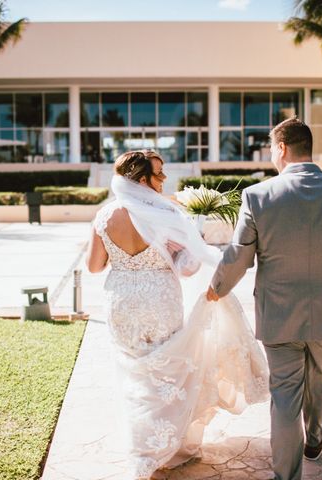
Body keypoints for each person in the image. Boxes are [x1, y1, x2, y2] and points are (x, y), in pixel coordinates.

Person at [207, 117, 322, 480]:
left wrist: (217, 288)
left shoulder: (258, 196)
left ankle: (287, 475)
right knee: (319, 376)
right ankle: (315, 439)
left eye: (272, 148)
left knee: (285, 392)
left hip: (279, 311)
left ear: (282, 148)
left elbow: (239, 256)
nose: (272, 155)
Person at [86, 150, 269, 479]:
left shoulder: (104, 216)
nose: (164, 179)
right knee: (166, 374)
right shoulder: (165, 215)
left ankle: (140, 445)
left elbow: (94, 266)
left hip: (121, 303)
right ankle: (166, 448)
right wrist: (194, 241)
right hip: (160, 302)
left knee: (135, 374)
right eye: (159, 174)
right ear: (142, 180)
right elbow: (188, 269)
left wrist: (123, 259)